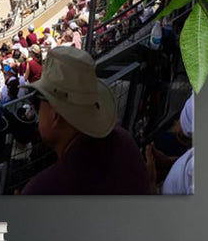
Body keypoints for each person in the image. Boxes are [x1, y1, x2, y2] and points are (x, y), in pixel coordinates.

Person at [22, 47, 149, 195]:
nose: (37, 111)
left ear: (55, 114)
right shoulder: (124, 141)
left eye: (37, 101)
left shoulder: (41, 191)